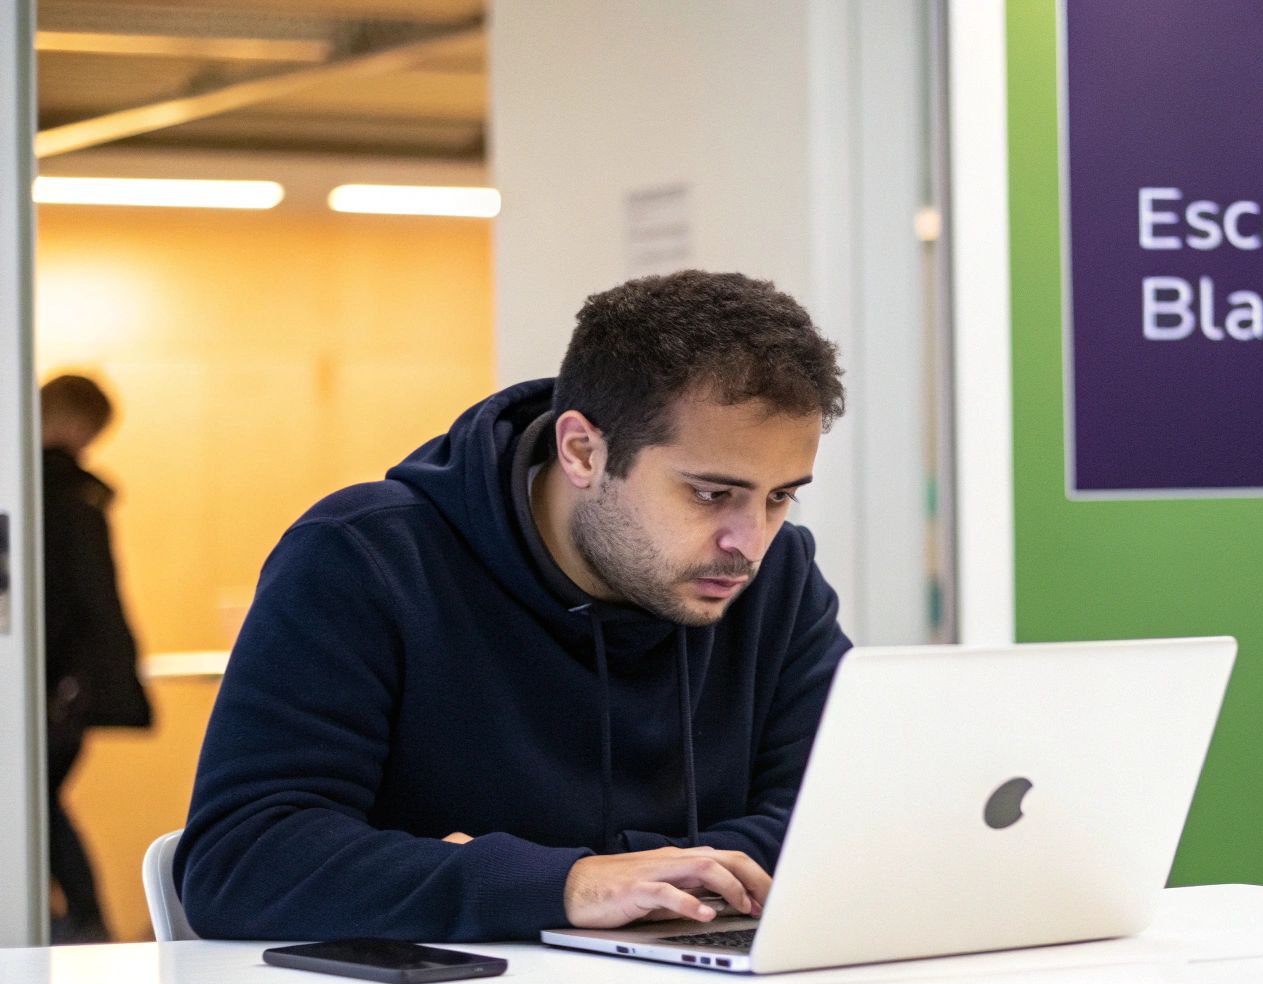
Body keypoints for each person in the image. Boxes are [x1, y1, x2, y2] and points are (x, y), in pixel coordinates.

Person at [177, 271, 851, 941]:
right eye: (711, 495)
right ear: (583, 451)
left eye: (780, 495)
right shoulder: (365, 560)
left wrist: (654, 882)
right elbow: (242, 859)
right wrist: (566, 884)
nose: (750, 542)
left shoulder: (776, 579)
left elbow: (843, 809)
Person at [41, 373, 152, 944]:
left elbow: (89, 601)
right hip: (63, 689)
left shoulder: (54, 496)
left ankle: (84, 921)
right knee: (39, 804)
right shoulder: (70, 497)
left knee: (35, 804)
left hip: (55, 690)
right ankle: (83, 920)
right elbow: (96, 602)